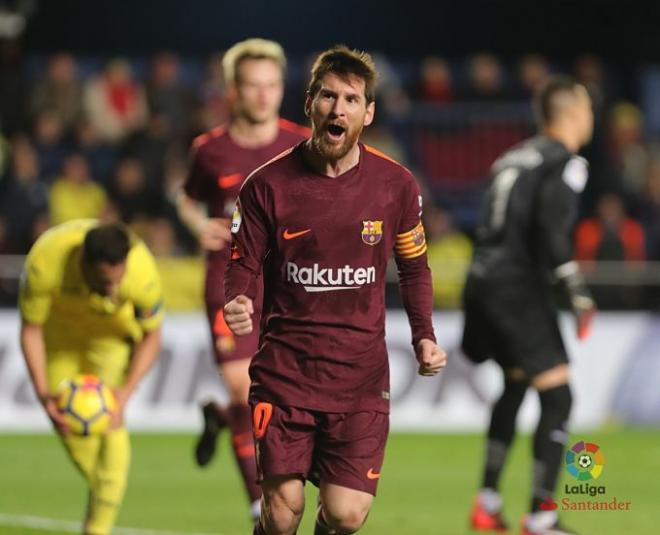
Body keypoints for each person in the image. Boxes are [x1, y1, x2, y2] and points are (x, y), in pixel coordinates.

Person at [224, 45, 447, 535]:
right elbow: (242, 262)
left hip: (360, 379)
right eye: (328, 95)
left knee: (346, 515)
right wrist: (238, 298)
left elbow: (414, 268)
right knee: (281, 515)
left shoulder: (397, 186)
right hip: (286, 373)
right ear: (310, 103)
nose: (338, 108)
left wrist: (424, 335)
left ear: (368, 113)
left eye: (351, 99)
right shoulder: (267, 185)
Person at [176, 38, 308, 522]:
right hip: (230, 282)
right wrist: (196, 224)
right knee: (242, 388)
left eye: (272, 85)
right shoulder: (209, 151)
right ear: (233, 90)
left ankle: (219, 420)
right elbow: (187, 197)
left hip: (290, 285)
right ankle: (259, 505)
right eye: (252, 86)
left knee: (278, 398)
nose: (263, 95)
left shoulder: (302, 144)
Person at [462, 76, 596, 535]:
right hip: (517, 286)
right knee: (558, 397)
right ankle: (541, 517)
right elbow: (551, 228)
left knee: (516, 383)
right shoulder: (567, 162)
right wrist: (574, 290)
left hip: (481, 280)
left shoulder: (511, 157)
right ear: (575, 113)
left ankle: (487, 503)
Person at [18, 219, 163, 535]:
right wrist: (43, 395)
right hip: (60, 341)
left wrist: (123, 396)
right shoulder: (45, 263)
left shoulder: (141, 272)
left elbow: (152, 337)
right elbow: (30, 330)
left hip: (108, 341)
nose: (112, 291)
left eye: (117, 280)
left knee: (111, 425)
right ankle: (103, 505)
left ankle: (97, 529)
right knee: (73, 429)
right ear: (84, 263)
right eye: (103, 282)